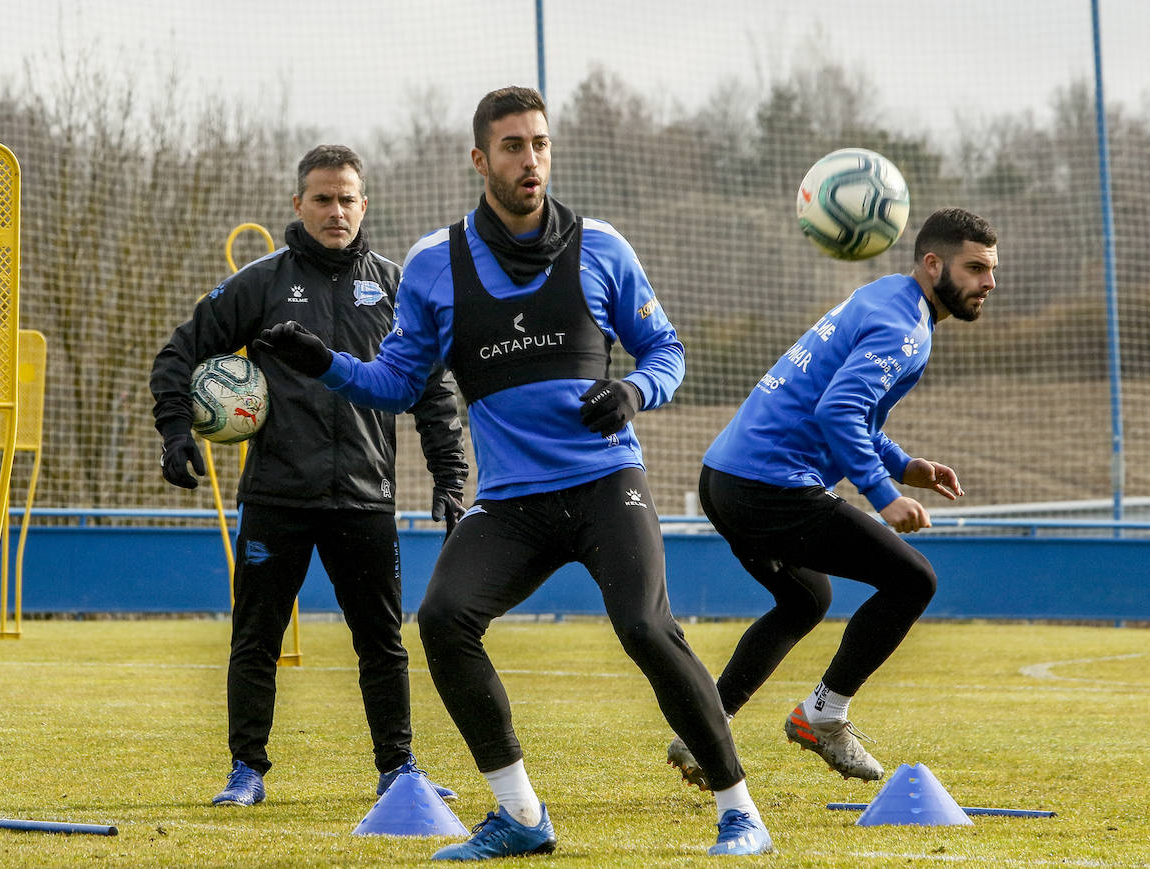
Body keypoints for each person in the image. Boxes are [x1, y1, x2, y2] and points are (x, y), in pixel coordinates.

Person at [255, 87, 773, 859]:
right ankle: (522, 816)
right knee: (443, 621)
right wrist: (324, 363)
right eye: (512, 146)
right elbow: (397, 384)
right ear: (479, 159)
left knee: (644, 624)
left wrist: (634, 389)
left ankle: (741, 812)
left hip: (606, 483)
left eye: (539, 143)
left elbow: (668, 353)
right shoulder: (435, 265)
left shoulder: (602, 247)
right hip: (513, 502)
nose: (530, 160)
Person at [149, 144, 468, 808]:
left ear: (365, 204)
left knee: (382, 639)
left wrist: (449, 475)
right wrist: (177, 427)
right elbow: (182, 348)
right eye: (322, 198)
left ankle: (398, 769)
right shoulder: (263, 283)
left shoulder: (394, 284)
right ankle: (246, 770)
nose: (336, 210)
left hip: (366, 496)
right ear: (298, 204)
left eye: (347, 197)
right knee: (256, 634)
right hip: (277, 495)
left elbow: (433, 391)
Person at [666, 207, 998, 790]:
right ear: (932, 263)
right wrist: (883, 493)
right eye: (974, 268)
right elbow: (838, 410)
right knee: (912, 581)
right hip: (770, 487)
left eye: (992, 270)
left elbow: (844, 405)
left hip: (725, 478)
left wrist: (904, 464)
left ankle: (703, 731)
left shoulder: (885, 297)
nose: (988, 283)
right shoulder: (904, 328)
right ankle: (824, 716)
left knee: (804, 600)